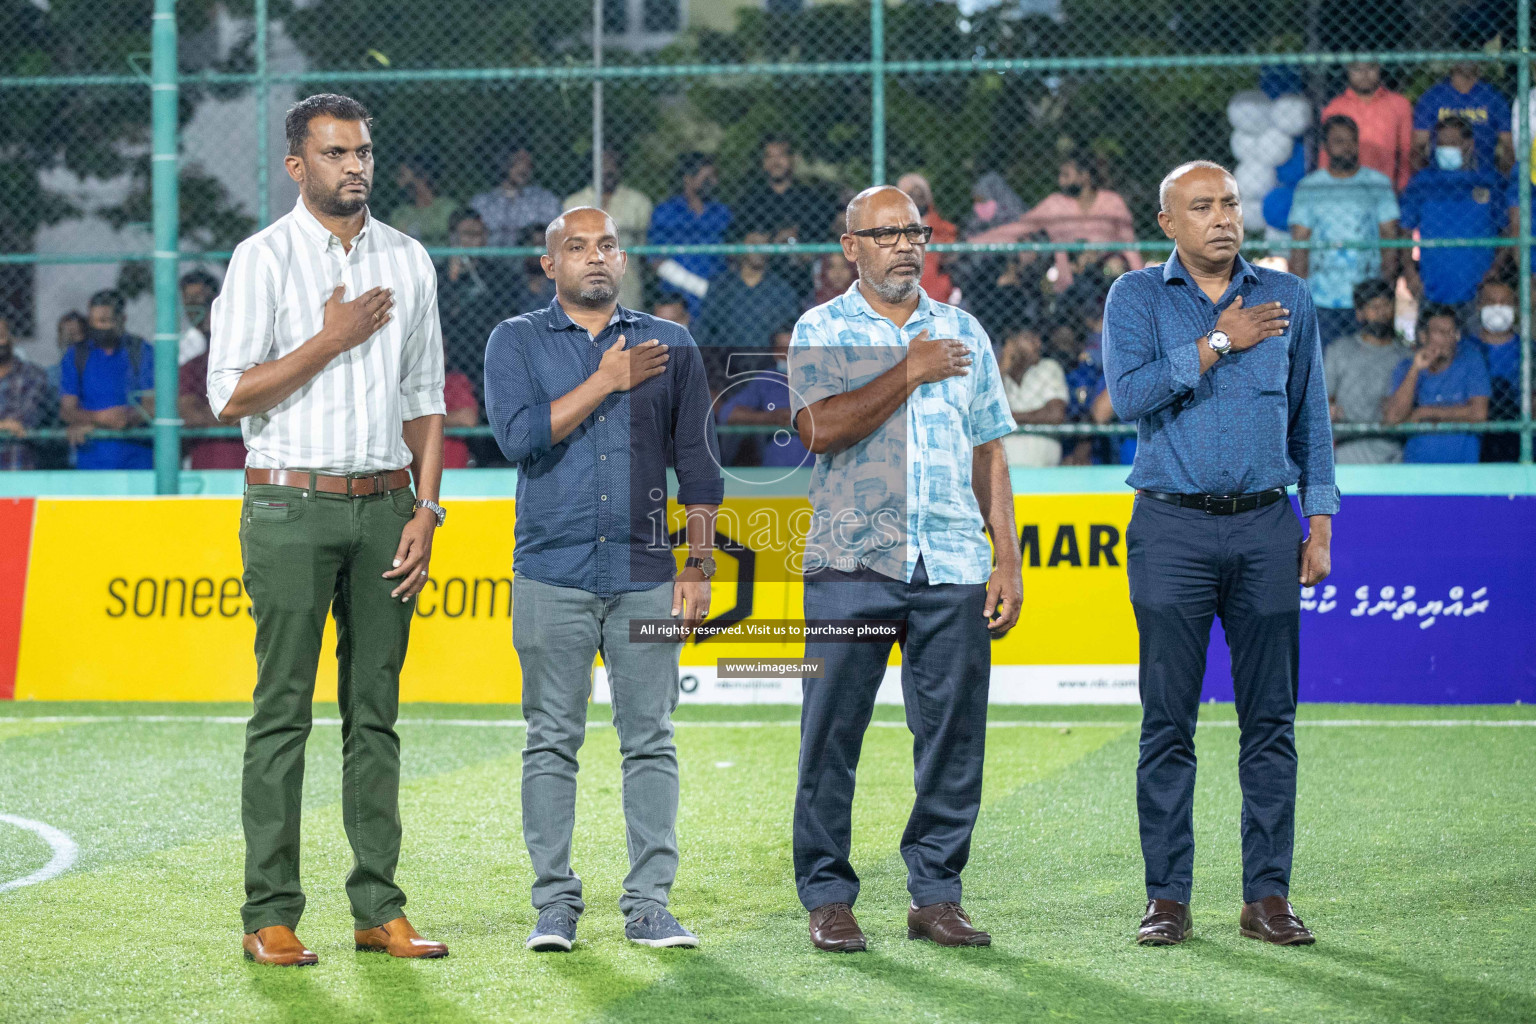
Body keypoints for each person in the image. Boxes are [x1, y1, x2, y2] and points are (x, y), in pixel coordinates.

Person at [206, 93, 449, 967]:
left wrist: (426, 510)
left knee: (374, 715)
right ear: (297, 165)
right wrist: (331, 338)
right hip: (288, 505)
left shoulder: (409, 259)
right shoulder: (261, 259)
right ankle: (269, 914)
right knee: (282, 713)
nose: (356, 166)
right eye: (337, 152)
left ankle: (378, 908)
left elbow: (427, 400)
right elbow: (227, 393)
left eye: (364, 152)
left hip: (388, 507)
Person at [1102, 160, 1336, 948]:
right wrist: (1214, 343)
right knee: (1167, 722)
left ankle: (1266, 896)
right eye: (1202, 206)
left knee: (1271, 720)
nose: (1222, 217)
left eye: (1230, 202)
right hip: (1171, 530)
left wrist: (1323, 520)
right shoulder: (1135, 296)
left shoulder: (1289, 297)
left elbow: (1313, 419)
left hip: (1270, 528)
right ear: (1168, 222)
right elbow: (1127, 397)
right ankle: (1167, 898)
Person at [787, 185, 1021, 952]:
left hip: (952, 558)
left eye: (914, 231)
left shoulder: (964, 331)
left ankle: (936, 895)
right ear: (849, 246)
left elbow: (990, 447)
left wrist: (1006, 558)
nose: (904, 245)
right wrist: (909, 371)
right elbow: (820, 429)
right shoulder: (820, 327)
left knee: (954, 737)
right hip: (851, 559)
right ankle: (827, 896)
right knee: (830, 734)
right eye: (885, 234)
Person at [483, 207, 722, 952]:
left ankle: (650, 903)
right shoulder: (514, 341)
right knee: (551, 739)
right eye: (577, 246)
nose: (595, 257)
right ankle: (554, 905)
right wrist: (607, 379)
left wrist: (701, 561)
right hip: (551, 571)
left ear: (623, 261)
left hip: (649, 572)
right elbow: (518, 439)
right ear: (549, 263)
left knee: (649, 738)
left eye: (607, 246)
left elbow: (701, 463)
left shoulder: (673, 344)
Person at [1288, 115, 1401, 346]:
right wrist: (1299, 295)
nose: (1347, 147)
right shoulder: (1309, 187)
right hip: (1321, 295)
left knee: (1367, 361)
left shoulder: (1377, 183)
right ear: (1326, 146)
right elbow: (1300, 243)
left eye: (1351, 141)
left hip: (1368, 295)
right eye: (1339, 141)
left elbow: (1389, 237)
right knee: (1324, 364)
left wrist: (1386, 286)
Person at [969, 152, 1144, 294]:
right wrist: (969, 243)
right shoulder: (1055, 203)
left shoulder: (1112, 202)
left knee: (1113, 268)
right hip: (1066, 282)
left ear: (1085, 176)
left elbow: (1130, 246)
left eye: (1066, 175)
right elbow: (1017, 228)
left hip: (1108, 278)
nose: (1061, 181)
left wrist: (1142, 285)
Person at [1400, 116, 1507, 312]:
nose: (1445, 148)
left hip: (1478, 290)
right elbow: (1405, 230)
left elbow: (1508, 230)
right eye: (1440, 143)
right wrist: (1410, 273)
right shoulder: (1422, 183)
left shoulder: (1490, 181)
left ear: (1469, 144)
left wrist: (1495, 270)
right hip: (1432, 288)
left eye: (1452, 143)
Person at [59, 289, 154, 470]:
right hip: (92, 459)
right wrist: (100, 419)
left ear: (122, 319)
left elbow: (152, 403)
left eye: (105, 321)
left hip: (138, 459)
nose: (99, 328)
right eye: (93, 322)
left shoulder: (140, 351)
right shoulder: (77, 355)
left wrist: (126, 419)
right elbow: (67, 409)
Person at [1382, 303, 1490, 463]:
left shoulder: (1471, 361)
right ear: (1423, 336)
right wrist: (1416, 369)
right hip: (1418, 467)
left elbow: (1479, 413)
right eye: (1441, 332)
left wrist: (1425, 413)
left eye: (1452, 332)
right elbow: (1393, 417)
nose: (1449, 337)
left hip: (1463, 467)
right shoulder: (1406, 367)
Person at [1323, 278, 1412, 464]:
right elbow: (1326, 400)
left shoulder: (1407, 356)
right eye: (1374, 307)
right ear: (1360, 314)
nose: (1381, 313)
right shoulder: (1340, 350)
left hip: (1394, 446)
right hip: (1349, 444)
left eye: (1386, 305)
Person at [692, 226, 802, 368]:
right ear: (740, 246)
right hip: (726, 366)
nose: (760, 250)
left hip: (770, 368)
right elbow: (705, 332)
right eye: (754, 244)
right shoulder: (721, 288)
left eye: (765, 245)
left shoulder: (782, 290)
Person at [740, 135, 834, 298]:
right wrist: (773, 241)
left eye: (781, 155)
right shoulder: (750, 200)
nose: (776, 162)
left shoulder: (811, 199)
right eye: (770, 157)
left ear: (792, 159)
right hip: (761, 283)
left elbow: (821, 243)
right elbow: (738, 245)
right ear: (763, 163)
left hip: (802, 282)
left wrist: (796, 241)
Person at [438, 208, 520, 387]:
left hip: (488, 346)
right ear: (453, 237)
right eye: (468, 234)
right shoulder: (438, 274)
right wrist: (453, 278)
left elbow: (508, 311)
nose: (475, 240)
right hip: (453, 350)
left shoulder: (498, 273)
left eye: (480, 234)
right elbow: (440, 315)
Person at [564, 148, 654, 310]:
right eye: (603, 164)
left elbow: (644, 251)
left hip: (626, 287)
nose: (609, 169)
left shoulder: (638, 203)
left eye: (614, 164)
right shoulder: (573, 204)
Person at [714, 324, 813, 469]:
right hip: (775, 472)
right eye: (781, 349)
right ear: (774, 353)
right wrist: (770, 418)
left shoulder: (821, 377)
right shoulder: (766, 380)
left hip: (817, 472)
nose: (787, 354)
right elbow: (727, 413)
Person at [647, 152, 732, 317]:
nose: (713, 182)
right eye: (707, 178)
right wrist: (698, 287)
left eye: (715, 177)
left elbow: (732, 258)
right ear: (688, 179)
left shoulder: (722, 213)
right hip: (677, 299)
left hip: (718, 299)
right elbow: (656, 260)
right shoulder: (666, 212)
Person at [177, 272, 247, 470]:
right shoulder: (183, 346)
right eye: (188, 300)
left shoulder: (245, 350)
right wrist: (236, 415)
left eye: (201, 299)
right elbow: (189, 413)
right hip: (204, 452)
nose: (195, 306)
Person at [1319, 62, 1415, 191]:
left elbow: (1406, 150)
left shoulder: (1399, 104)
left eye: (1371, 67)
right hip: (1343, 188)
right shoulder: (1334, 107)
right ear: (1347, 71)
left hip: (1384, 189)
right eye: (1357, 69)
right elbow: (1326, 153)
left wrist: (1403, 187)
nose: (1364, 74)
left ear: (1379, 68)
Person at [1412, 62, 1513, 176]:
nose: (1465, 60)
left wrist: (1502, 177)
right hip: (1438, 175)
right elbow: (1419, 145)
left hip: (1483, 176)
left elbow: (1508, 146)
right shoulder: (1432, 97)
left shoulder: (1493, 97)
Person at [1466, 278, 1523, 461]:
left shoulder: (1530, 351)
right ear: (1479, 306)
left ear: (1516, 307)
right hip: (1473, 438)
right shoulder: (1465, 350)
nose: (1498, 308)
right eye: (1491, 301)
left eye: (1505, 302)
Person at [997, 325, 1066, 467]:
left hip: (1043, 473)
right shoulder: (998, 375)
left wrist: (1008, 418)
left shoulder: (1048, 367)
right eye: (1029, 339)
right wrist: (1002, 368)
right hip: (1004, 473)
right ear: (1011, 344)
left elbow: (1055, 414)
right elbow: (988, 416)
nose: (1038, 344)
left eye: (1038, 339)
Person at [471, 142, 563, 248]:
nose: (523, 167)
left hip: (532, 261)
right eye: (518, 161)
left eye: (529, 163)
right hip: (489, 260)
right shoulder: (483, 202)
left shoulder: (544, 199)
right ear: (504, 162)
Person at [0, 310, 54, 470]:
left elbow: (22, 421)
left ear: (12, 338)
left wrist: (8, 425)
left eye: (1, 336)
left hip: (16, 466)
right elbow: (8, 425)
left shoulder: (32, 375)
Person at [896, 172, 958, 303]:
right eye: (910, 193)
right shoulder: (892, 227)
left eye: (919, 192)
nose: (916, 196)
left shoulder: (940, 226)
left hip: (935, 291)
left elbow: (951, 255)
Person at [390, 153, 457, 247]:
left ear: (422, 176)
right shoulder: (400, 213)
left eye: (402, 176)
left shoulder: (447, 208)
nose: (399, 183)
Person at [178, 269, 219, 365]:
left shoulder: (226, 335)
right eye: (188, 298)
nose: (192, 303)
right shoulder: (185, 342)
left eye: (197, 297)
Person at [442, 366, 479, 469]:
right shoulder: (402, 382)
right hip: (410, 467)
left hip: (451, 467)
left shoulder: (454, 381)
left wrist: (424, 418)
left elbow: (468, 419)